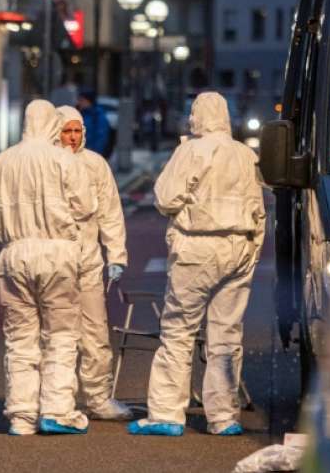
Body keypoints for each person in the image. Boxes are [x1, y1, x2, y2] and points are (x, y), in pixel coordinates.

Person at [128, 91, 265, 437]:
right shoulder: (245, 154)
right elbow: (259, 210)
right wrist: (253, 250)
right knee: (227, 335)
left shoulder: (190, 151)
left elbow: (165, 198)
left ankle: (166, 414)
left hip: (197, 248)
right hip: (239, 246)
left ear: (198, 116)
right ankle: (223, 417)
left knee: (178, 330)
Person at [0, 99, 96, 436]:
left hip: (13, 255)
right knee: (61, 334)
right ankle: (57, 410)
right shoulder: (64, 160)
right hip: (58, 252)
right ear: (53, 124)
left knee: (19, 338)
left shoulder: (1, 162)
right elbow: (86, 207)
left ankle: (21, 416)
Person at [56, 106, 133, 421]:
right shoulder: (45, 164)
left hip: (87, 259)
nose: (73, 137)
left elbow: (110, 213)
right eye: (67, 131)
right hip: (55, 262)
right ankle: (57, 399)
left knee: (95, 332)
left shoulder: (95, 164)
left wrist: (116, 255)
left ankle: (98, 398)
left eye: (77, 131)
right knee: (57, 334)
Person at [77, 91, 111, 157]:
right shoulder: (80, 113)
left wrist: (93, 154)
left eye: (81, 100)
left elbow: (101, 138)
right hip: (81, 153)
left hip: (91, 154)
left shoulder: (98, 115)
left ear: (88, 101)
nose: (79, 103)